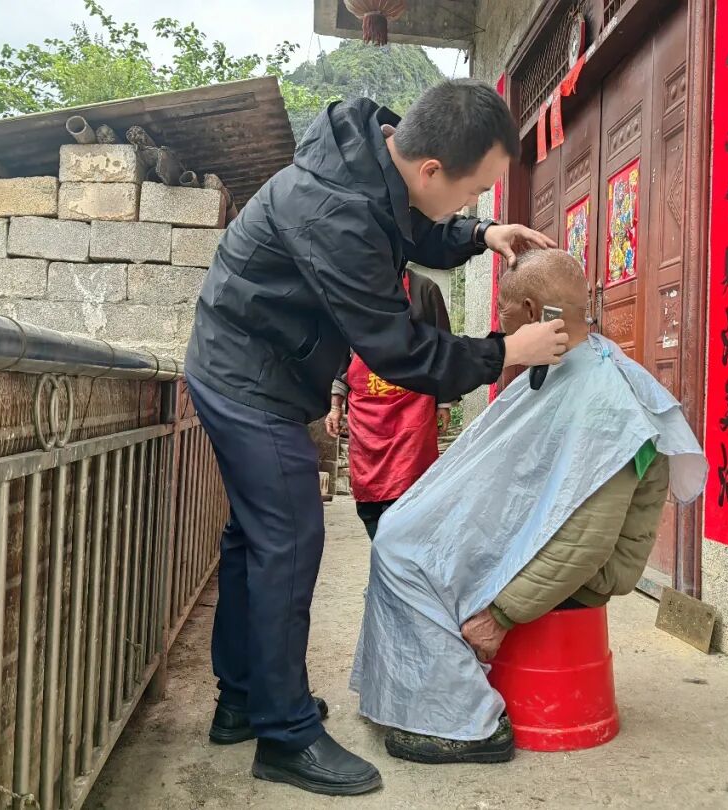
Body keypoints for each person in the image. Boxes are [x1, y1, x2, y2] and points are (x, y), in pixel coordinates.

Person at [184, 80, 569, 796]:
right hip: (246, 377)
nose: (470, 203)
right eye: (472, 192)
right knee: (289, 541)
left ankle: (242, 700)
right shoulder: (336, 211)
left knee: (254, 540)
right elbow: (399, 350)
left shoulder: (374, 158)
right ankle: (284, 735)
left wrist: (481, 235)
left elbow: (417, 224)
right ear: (431, 167)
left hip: (260, 364)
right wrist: (505, 351)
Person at [350, 249, 708, 765]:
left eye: (504, 308)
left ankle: (472, 722)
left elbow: (587, 543)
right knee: (403, 532)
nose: (499, 322)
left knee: (409, 556)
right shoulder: (565, 365)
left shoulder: (608, 401)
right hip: (551, 532)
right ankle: (415, 691)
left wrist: (500, 614)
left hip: (592, 564)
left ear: (534, 312)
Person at [325, 266, 455, 540]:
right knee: (368, 499)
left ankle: (400, 554)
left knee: (411, 492)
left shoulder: (424, 290)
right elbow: (340, 353)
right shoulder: (351, 289)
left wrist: (444, 401)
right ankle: (383, 549)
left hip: (413, 411)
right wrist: (336, 405)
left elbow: (444, 347)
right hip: (367, 415)